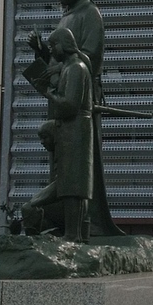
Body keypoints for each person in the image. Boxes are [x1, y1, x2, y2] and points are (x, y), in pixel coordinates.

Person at [27, 0, 124, 237]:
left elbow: (90, 58)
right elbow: (60, 56)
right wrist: (42, 52)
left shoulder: (90, 14)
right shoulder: (66, 16)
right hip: (60, 99)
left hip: (78, 100)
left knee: (80, 169)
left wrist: (62, 66)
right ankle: (61, 222)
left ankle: (85, 225)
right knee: (61, 165)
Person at [21, 27, 93, 242]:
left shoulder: (76, 68)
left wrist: (47, 92)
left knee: (73, 184)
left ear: (64, 44)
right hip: (70, 129)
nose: (51, 50)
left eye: (53, 46)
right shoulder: (68, 68)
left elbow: (70, 105)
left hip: (75, 129)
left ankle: (73, 234)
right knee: (70, 182)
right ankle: (73, 233)